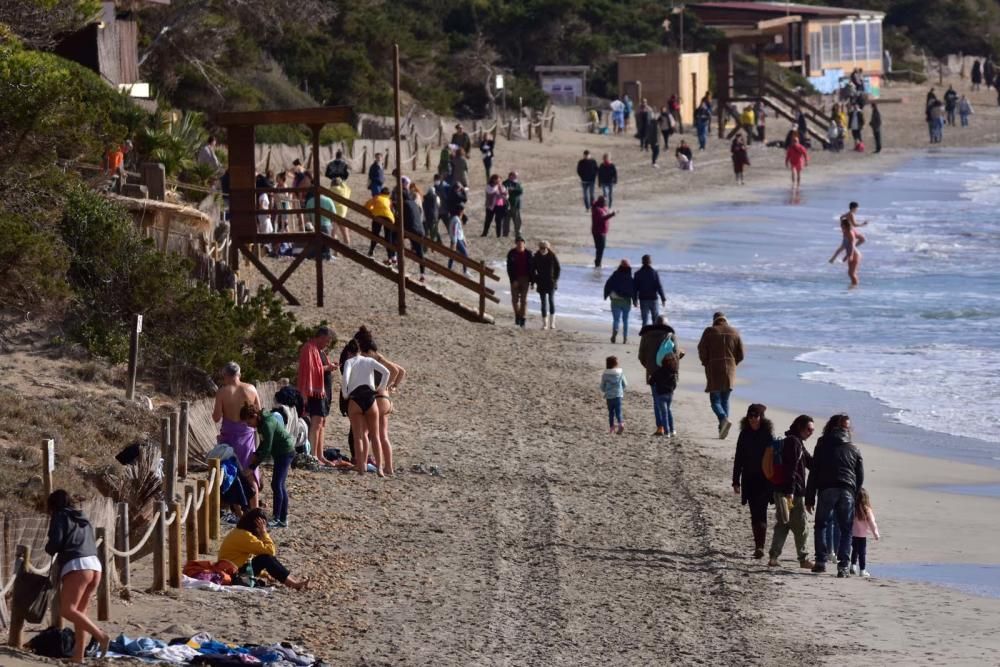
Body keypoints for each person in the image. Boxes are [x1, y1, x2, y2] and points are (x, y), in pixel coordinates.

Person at [44, 490, 110, 662]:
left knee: (68, 610)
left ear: (53, 505)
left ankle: (101, 636)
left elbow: (55, 544)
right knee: (80, 612)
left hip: (77, 565)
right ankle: (78, 656)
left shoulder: (60, 516)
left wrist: (49, 547)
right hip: (95, 565)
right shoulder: (82, 517)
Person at [806, 413, 864, 577]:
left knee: (821, 525)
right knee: (846, 529)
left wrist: (809, 497)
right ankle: (843, 566)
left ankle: (820, 562)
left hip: (826, 489)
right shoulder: (854, 448)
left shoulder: (822, 444)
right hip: (847, 490)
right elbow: (860, 477)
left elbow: (814, 472)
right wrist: (856, 494)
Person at [354, 327, 405, 477]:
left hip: (377, 398)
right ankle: (388, 467)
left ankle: (363, 465)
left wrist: (379, 387)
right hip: (386, 399)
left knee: (365, 433)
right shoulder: (378, 356)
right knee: (383, 435)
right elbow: (400, 371)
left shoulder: (367, 357)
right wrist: (392, 386)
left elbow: (395, 371)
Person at [767, 415, 816, 569]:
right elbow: (792, 469)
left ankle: (774, 557)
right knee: (801, 527)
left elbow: (810, 463)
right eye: (809, 429)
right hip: (792, 493)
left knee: (782, 525)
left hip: (782, 491)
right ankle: (804, 559)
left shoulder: (794, 441)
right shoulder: (794, 443)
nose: (811, 432)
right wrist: (791, 492)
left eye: (813, 430)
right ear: (800, 427)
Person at [218, 509, 309, 590]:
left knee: (264, 558)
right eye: (261, 526)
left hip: (231, 569)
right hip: (233, 573)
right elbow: (270, 551)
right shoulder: (245, 536)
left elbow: (246, 561)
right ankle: (293, 584)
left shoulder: (240, 532)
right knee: (266, 558)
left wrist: (265, 574)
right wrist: (264, 533)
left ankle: (293, 581)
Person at [213, 362, 263, 502]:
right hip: (246, 434)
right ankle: (254, 509)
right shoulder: (251, 389)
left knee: (229, 470)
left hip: (229, 435)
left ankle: (236, 508)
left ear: (226, 375)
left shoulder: (222, 392)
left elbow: (216, 417)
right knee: (249, 473)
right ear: (239, 374)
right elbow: (258, 412)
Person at [240, 404, 295, 528]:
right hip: (281, 452)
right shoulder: (261, 422)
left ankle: (277, 518)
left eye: (249, 422)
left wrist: (252, 467)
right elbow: (264, 443)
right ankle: (283, 518)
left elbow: (267, 449)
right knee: (280, 485)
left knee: (276, 484)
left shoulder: (267, 424)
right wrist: (256, 452)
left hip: (285, 452)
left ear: (254, 416)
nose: (248, 425)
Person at [341, 338, 390, 475]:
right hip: (370, 398)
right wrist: (380, 388)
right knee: (375, 436)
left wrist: (346, 394)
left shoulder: (349, 362)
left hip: (355, 399)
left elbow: (345, 379)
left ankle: (361, 467)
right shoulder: (369, 361)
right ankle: (380, 468)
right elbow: (386, 373)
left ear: (349, 352)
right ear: (360, 351)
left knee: (359, 436)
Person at [732, 404, 775, 559]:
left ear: (761, 417)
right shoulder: (744, 434)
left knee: (761, 512)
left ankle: (760, 547)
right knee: (754, 514)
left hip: (764, 481)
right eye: (750, 416)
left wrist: (775, 481)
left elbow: (774, 461)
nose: (752, 419)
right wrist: (735, 481)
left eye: (755, 416)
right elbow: (739, 458)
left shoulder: (768, 435)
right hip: (749, 479)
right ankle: (758, 545)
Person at [697, 311, 744, 439]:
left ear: (715, 320)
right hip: (730, 371)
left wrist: (705, 362)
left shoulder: (709, 331)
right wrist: (733, 364)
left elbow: (701, 349)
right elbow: (741, 354)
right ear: (725, 320)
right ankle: (722, 429)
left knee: (715, 401)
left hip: (714, 369)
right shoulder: (735, 332)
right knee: (725, 400)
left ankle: (723, 420)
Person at [297, 327, 338, 467]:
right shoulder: (309, 348)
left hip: (323, 391)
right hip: (315, 392)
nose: (326, 344)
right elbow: (312, 369)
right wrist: (327, 368)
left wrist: (330, 366)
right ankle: (314, 455)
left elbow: (319, 366)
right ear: (320, 337)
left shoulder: (320, 351)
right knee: (316, 423)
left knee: (322, 423)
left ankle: (320, 454)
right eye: (326, 341)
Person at [649, 325, 680, 437]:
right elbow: (674, 384)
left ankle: (664, 430)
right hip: (669, 394)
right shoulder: (672, 373)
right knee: (669, 410)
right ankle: (672, 430)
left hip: (660, 393)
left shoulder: (658, 372)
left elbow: (652, 381)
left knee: (663, 412)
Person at [603, 259, 636, 344]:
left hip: (615, 301)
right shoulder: (630, 278)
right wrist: (635, 300)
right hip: (626, 301)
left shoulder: (615, 275)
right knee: (625, 320)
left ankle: (616, 330)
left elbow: (608, 284)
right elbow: (634, 290)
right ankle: (625, 338)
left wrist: (606, 295)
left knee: (616, 319)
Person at [851, 488, 880, 577]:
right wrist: (876, 534)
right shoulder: (866, 509)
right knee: (862, 553)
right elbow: (872, 522)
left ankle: (853, 566)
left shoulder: (852, 508)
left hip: (852, 534)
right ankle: (862, 570)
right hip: (862, 535)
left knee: (854, 551)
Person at [531, 240, 560, 330]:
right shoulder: (536, 257)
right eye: (541, 248)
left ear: (548, 248)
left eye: (544, 248)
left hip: (551, 283)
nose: (542, 250)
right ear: (539, 248)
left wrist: (555, 280)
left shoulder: (552, 256)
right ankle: (545, 324)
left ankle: (552, 323)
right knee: (543, 303)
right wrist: (535, 280)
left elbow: (558, 269)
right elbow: (532, 270)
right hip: (541, 283)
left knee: (551, 301)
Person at [506, 236, 533, 328]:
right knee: (514, 300)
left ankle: (523, 318)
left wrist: (532, 282)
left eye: (521, 243)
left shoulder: (529, 253)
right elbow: (509, 268)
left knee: (524, 300)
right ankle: (517, 315)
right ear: (516, 244)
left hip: (525, 279)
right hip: (515, 278)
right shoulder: (511, 253)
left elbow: (532, 268)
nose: (520, 245)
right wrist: (513, 280)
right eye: (518, 243)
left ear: (524, 244)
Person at [400, 186, 426, 281]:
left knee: (395, 238)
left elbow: (401, 218)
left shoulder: (404, 204)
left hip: (412, 230)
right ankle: (422, 274)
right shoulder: (414, 204)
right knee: (420, 253)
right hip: (421, 230)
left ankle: (394, 258)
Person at [633, 254, 666, 326]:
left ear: (642, 262)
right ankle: (654, 335)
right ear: (650, 262)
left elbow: (635, 288)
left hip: (643, 299)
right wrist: (663, 298)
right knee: (655, 320)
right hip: (653, 299)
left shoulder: (637, 274)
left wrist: (634, 300)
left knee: (645, 320)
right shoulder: (654, 273)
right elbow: (659, 286)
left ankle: (644, 336)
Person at [364, 187, 395, 261]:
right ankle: (390, 256)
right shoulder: (389, 200)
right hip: (389, 218)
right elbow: (392, 210)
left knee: (375, 234)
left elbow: (367, 206)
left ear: (381, 192)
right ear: (388, 194)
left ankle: (371, 251)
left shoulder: (377, 197)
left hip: (378, 216)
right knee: (388, 237)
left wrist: (373, 210)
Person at [600, 356, 627, 435]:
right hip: (618, 395)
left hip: (609, 396)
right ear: (616, 364)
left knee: (611, 412)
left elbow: (602, 386)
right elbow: (625, 384)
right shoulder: (620, 373)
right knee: (618, 411)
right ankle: (621, 423)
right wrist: (621, 389)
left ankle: (611, 427)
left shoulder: (605, 374)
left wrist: (605, 390)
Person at [590, 195, 616, 268]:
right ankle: (598, 262)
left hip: (603, 231)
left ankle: (598, 261)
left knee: (601, 247)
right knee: (600, 247)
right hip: (598, 232)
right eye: (605, 201)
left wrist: (611, 213)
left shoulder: (603, 208)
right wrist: (612, 215)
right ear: (601, 202)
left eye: (606, 201)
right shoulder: (597, 209)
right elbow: (602, 218)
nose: (606, 203)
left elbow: (606, 214)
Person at [482, 173, 508, 238]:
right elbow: (491, 192)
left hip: (499, 205)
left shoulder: (502, 186)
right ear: (493, 180)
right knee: (488, 220)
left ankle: (498, 235)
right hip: (490, 206)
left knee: (498, 220)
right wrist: (499, 189)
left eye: (499, 180)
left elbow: (506, 195)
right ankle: (485, 233)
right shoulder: (489, 186)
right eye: (497, 180)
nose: (498, 182)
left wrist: (504, 194)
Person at [448, 203, 469, 274]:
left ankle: (449, 268)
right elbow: (454, 232)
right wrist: (454, 243)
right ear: (460, 211)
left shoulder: (457, 218)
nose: (464, 212)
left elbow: (460, 231)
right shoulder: (456, 219)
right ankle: (465, 271)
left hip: (460, 238)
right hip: (457, 240)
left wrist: (464, 239)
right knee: (465, 254)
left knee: (453, 254)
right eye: (463, 210)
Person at [503, 171, 524, 238]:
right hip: (507, 205)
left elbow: (520, 191)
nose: (516, 177)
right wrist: (512, 191)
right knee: (506, 221)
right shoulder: (505, 183)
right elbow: (505, 191)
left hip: (516, 205)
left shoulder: (517, 183)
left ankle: (518, 234)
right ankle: (505, 234)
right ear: (510, 176)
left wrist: (512, 190)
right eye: (515, 176)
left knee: (517, 221)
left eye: (516, 176)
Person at [422, 175, 442, 242]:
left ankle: (435, 242)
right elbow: (439, 205)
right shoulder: (436, 197)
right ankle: (438, 242)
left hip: (427, 216)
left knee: (429, 230)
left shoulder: (425, 198)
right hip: (434, 216)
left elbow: (423, 206)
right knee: (434, 230)